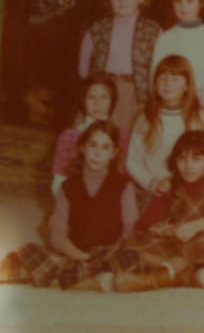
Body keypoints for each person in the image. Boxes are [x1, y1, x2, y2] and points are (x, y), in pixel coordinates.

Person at [0, 120, 139, 291]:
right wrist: (83, 258)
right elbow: (58, 237)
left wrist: (111, 253)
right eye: (92, 145)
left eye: (105, 148)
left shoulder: (123, 185)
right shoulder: (68, 186)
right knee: (28, 251)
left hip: (110, 253)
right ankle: (93, 280)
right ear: (82, 147)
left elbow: (130, 227)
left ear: (114, 153)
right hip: (76, 254)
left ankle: (61, 278)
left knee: (133, 256)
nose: (97, 153)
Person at [114, 131, 204, 291]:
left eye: (196, 159)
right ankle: (183, 274)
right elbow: (145, 221)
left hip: (199, 244)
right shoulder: (171, 187)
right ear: (175, 161)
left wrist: (195, 226)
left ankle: (157, 276)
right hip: (173, 244)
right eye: (182, 159)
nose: (188, 166)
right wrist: (160, 229)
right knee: (131, 241)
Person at [78, 0, 160, 130]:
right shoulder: (97, 29)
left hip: (134, 96)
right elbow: (83, 68)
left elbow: (157, 70)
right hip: (101, 94)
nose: (122, 1)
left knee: (126, 138)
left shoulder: (154, 31)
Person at [127, 55, 204, 199]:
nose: (167, 83)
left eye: (175, 79)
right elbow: (133, 161)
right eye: (162, 78)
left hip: (190, 190)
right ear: (155, 84)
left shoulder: (201, 117)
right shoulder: (145, 117)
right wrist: (153, 183)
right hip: (153, 190)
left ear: (187, 85)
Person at [51, 73, 129, 196]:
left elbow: (123, 178)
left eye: (103, 98)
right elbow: (59, 179)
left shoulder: (122, 137)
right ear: (83, 100)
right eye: (91, 98)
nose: (97, 103)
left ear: (112, 101)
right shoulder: (69, 136)